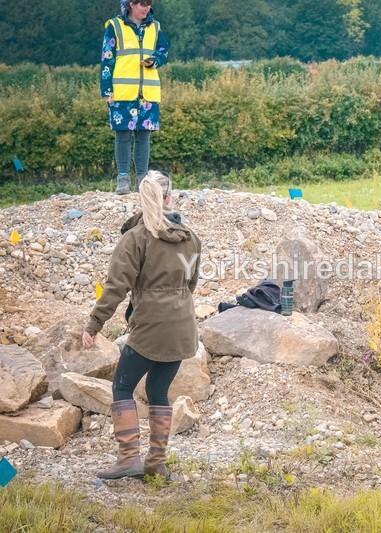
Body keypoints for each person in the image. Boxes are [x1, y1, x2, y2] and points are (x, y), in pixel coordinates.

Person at [82, 171, 201, 480]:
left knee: (122, 386)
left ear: (142, 198)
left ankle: (128, 459)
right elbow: (191, 284)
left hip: (150, 326)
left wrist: (93, 325)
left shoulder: (134, 238)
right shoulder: (190, 238)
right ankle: (156, 464)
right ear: (169, 198)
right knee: (158, 390)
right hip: (183, 328)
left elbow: (115, 289)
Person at [101, 0, 169, 195]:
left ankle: (142, 180)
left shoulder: (155, 27)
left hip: (148, 92)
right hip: (122, 92)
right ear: (131, 4)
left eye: (149, 4)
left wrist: (155, 61)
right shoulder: (114, 26)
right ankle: (122, 179)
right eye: (143, 4)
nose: (147, 8)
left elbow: (163, 51)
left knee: (143, 137)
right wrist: (106, 90)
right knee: (122, 136)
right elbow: (107, 58)